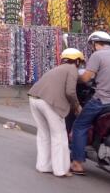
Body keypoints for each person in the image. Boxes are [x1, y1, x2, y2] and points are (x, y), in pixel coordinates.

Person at [70, 31, 110, 175]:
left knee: (80, 125)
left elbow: (87, 78)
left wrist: (76, 77)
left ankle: (77, 164)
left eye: (92, 45)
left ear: (94, 43)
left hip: (103, 100)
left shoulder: (97, 55)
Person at [28, 48, 83, 177]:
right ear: (77, 61)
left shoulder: (57, 69)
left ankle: (43, 166)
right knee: (59, 136)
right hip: (49, 102)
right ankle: (61, 170)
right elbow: (70, 91)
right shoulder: (72, 69)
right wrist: (77, 106)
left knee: (44, 134)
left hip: (34, 98)